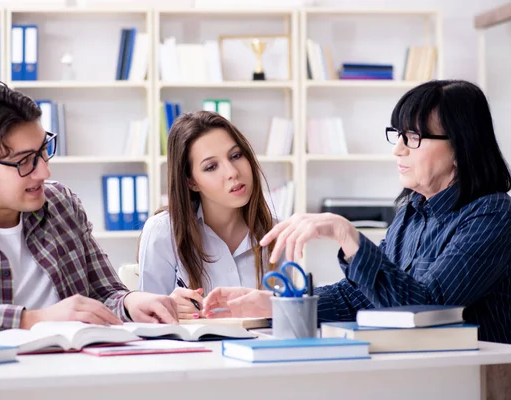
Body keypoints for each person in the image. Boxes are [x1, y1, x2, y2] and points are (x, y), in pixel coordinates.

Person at [202, 80, 511, 344]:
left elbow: (425, 311)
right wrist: (274, 304)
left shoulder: (492, 215)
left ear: (461, 146)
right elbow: (362, 297)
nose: (398, 149)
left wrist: (346, 234)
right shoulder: (411, 213)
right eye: (398, 135)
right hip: (421, 369)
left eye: (413, 138)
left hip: (479, 378)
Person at [0, 80, 178, 342]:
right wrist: (32, 320)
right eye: (25, 161)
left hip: (73, 374)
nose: (44, 171)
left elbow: (104, 293)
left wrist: (132, 301)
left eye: (43, 150)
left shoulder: (61, 203)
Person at [138, 111, 279, 319]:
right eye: (211, 167)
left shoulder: (275, 233)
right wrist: (168, 308)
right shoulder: (162, 231)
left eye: (236, 155)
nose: (232, 172)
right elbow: (147, 322)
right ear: (191, 182)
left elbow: (289, 319)